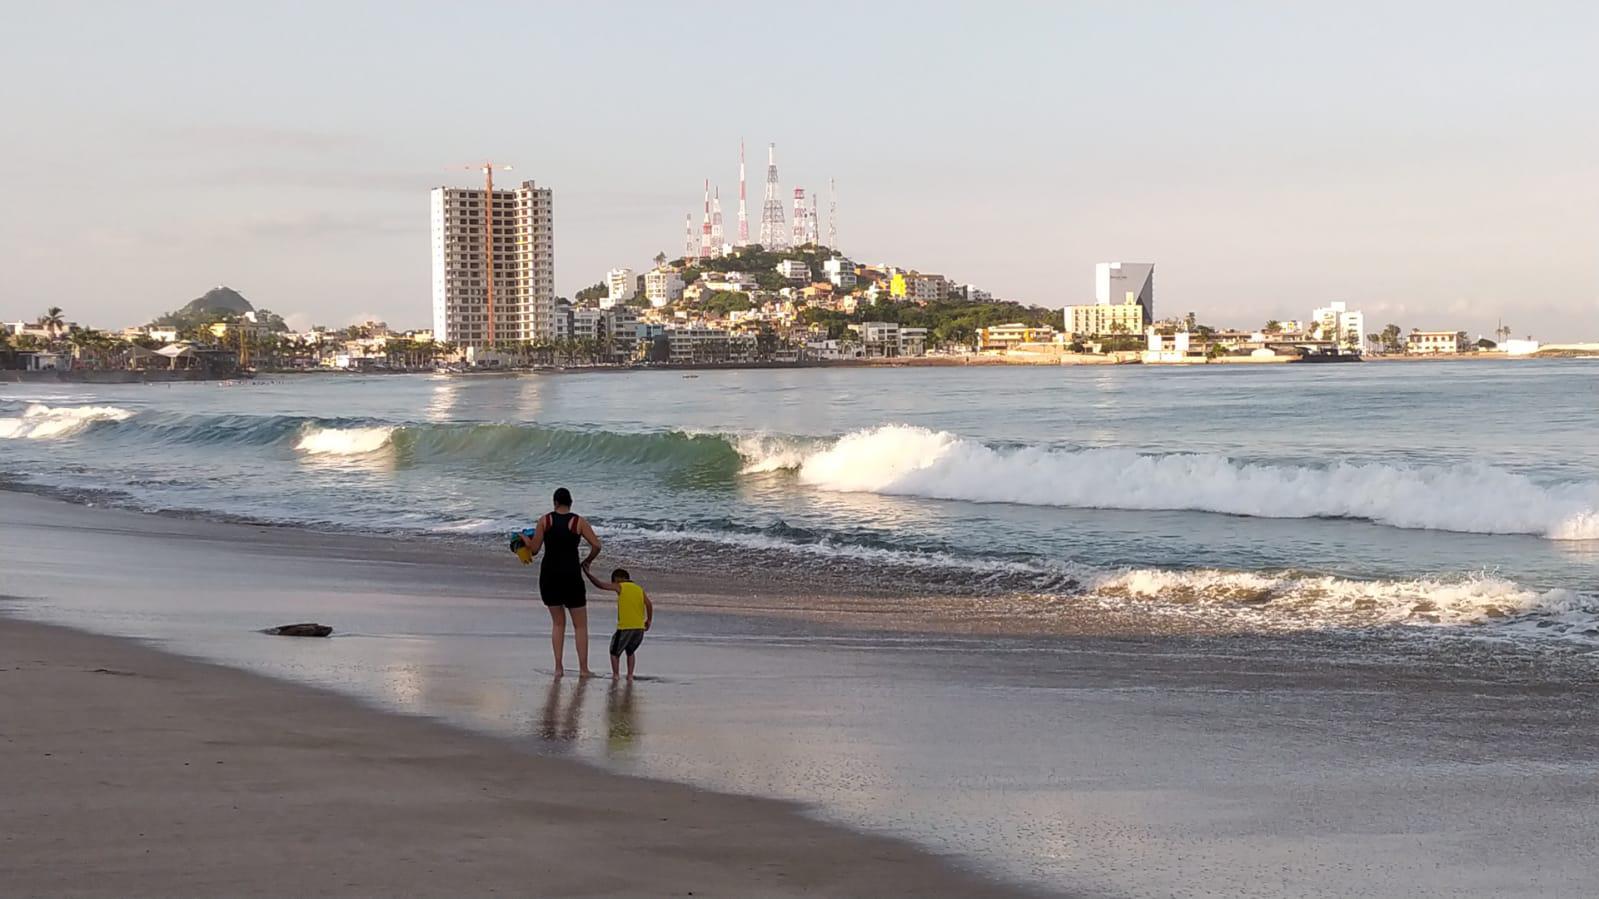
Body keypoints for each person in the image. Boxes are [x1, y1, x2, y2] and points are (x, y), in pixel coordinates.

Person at [518, 488, 602, 677]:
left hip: (549, 576)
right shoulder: (577, 521)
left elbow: (534, 550)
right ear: (570, 502)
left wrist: (525, 539)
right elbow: (597, 545)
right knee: (580, 626)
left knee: (558, 624)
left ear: (555, 503)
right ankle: (583, 669)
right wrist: (588, 560)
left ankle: (558, 668)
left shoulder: (545, 520)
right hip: (571, 576)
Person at [582, 566, 653, 680]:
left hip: (625, 627)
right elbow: (649, 604)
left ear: (617, 579)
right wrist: (649, 620)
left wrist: (588, 574)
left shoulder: (620, 585)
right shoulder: (639, 588)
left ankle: (616, 675)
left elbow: (600, 585)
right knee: (630, 651)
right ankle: (630, 675)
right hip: (639, 628)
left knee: (614, 651)